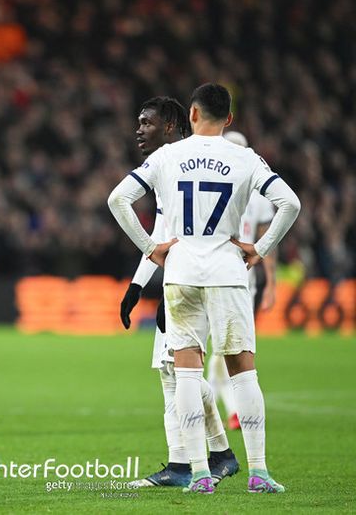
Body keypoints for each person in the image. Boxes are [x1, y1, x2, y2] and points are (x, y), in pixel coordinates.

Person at [108, 83, 300, 494]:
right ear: (229, 118)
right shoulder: (245, 157)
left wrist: (150, 249)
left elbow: (117, 199)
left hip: (181, 273)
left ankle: (198, 473)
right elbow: (291, 204)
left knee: (186, 374)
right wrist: (260, 248)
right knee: (243, 374)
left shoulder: (167, 156)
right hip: (228, 272)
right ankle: (259, 473)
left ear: (192, 114)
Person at [119, 97, 239, 488]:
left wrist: (172, 285)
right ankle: (208, 456)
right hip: (191, 279)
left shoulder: (177, 164)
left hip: (193, 282)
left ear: (170, 126)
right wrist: (138, 285)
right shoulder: (175, 164)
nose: (139, 130)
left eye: (147, 123)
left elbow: (173, 236)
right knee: (174, 371)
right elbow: (163, 234)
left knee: (180, 373)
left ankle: (192, 461)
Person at [207, 130, 277, 431]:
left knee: (230, 348)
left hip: (243, 279)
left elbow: (266, 239)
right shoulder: (208, 185)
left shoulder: (259, 195)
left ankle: (217, 407)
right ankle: (228, 409)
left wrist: (271, 283)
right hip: (210, 273)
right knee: (218, 348)